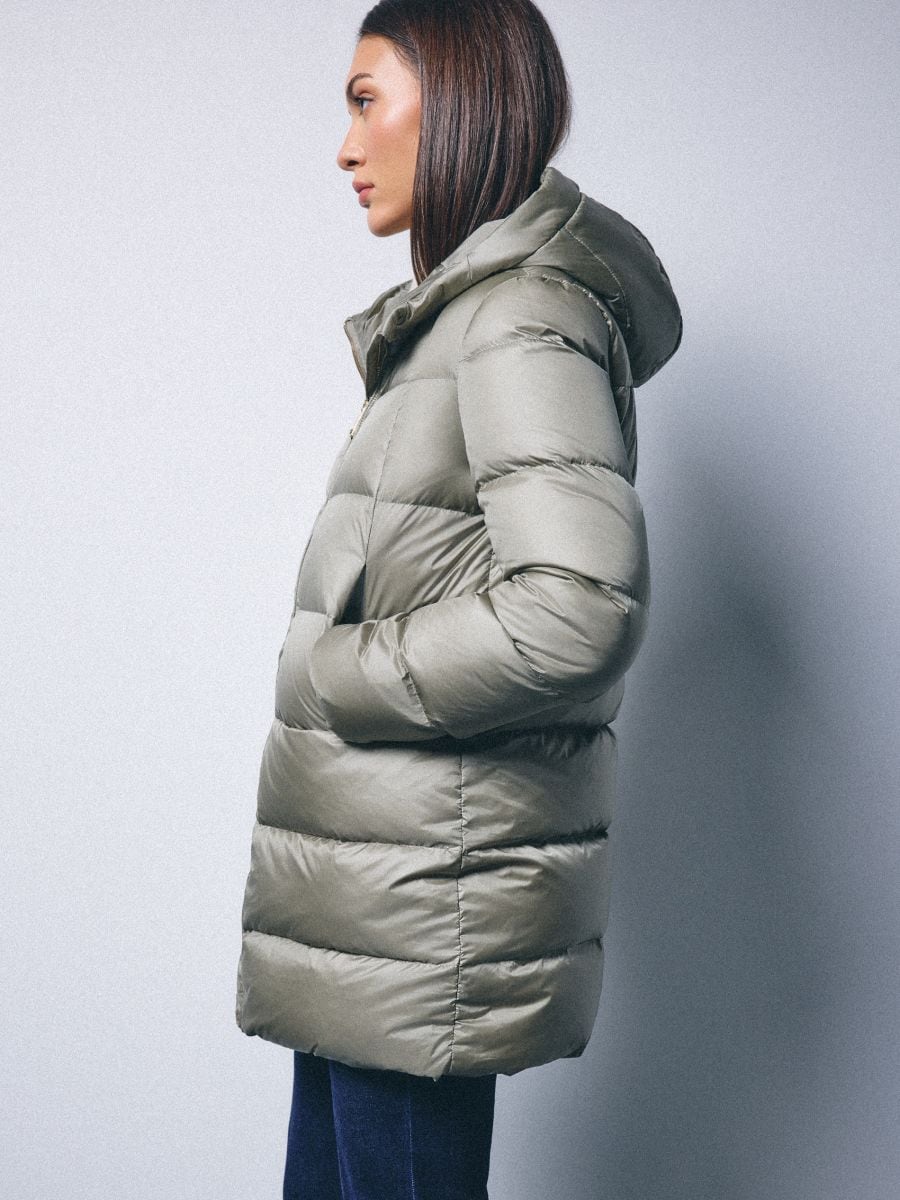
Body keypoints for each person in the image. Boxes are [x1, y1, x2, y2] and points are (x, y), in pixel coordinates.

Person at [234, 1, 683, 1196]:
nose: (345, 145)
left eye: (366, 100)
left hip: (417, 913)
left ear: (461, 104)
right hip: (370, 903)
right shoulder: (460, 318)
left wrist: (338, 674)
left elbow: (578, 605)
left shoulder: (517, 318)